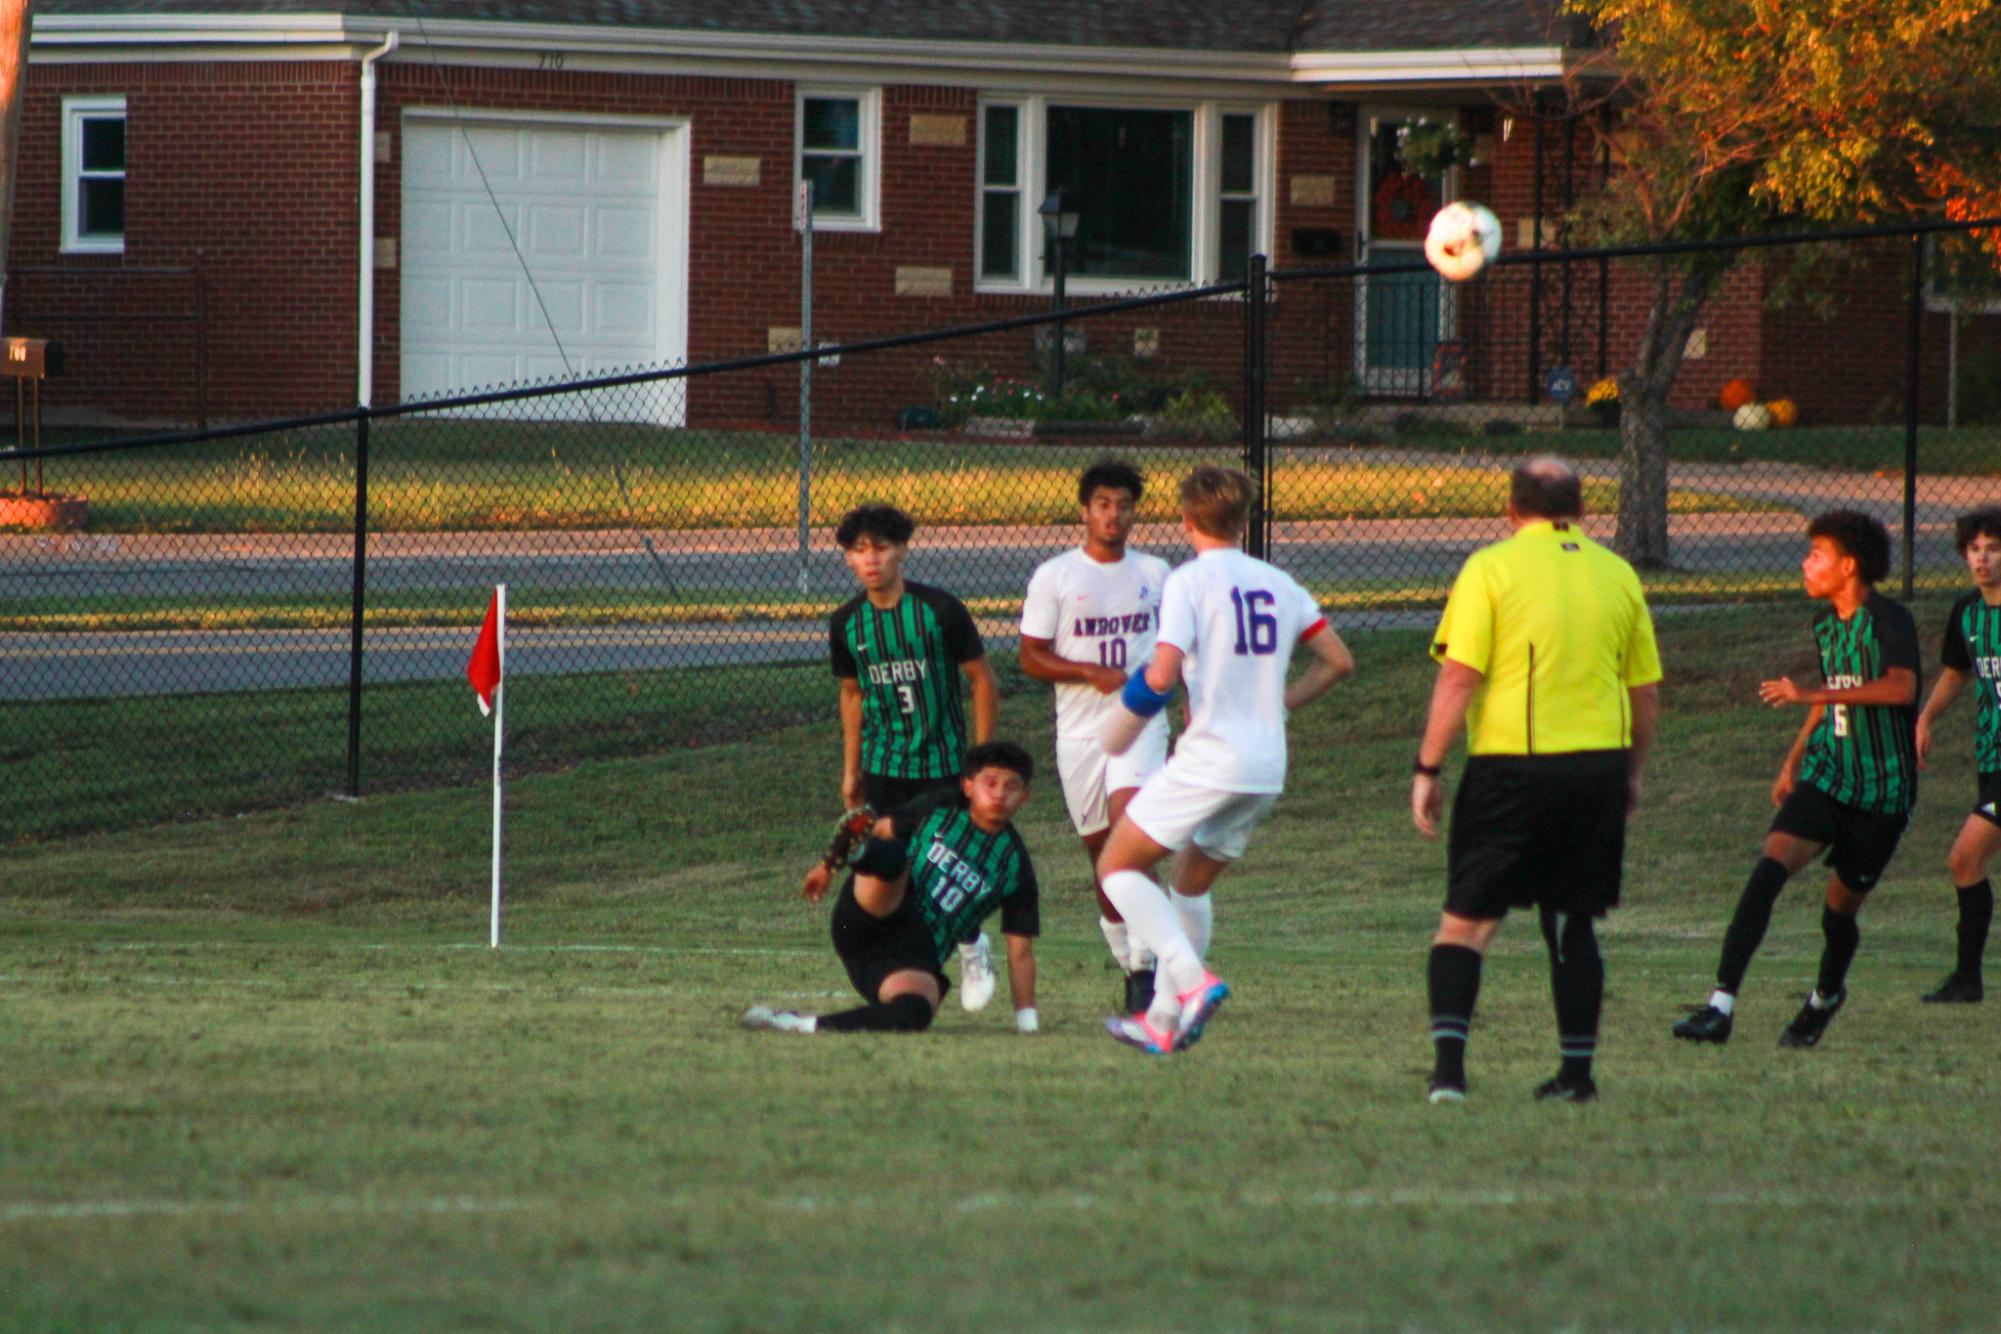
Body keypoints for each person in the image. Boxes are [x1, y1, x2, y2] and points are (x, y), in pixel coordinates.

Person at [1413, 457, 1661, 1105]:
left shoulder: (1490, 568)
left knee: (1463, 924)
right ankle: (1575, 1076)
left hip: (1511, 769)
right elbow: (1643, 690)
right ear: (1579, 508)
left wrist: (1427, 767)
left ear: (1510, 509)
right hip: (1595, 768)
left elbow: (1459, 674)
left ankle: (1448, 1076)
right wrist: (1629, 774)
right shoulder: (1617, 574)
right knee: (1571, 923)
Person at [1095, 466, 1354, 1055]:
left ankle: (1192, 981)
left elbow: (1160, 675)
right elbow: (1339, 661)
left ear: (1185, 520)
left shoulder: (1188, 582)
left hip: (1212, 757)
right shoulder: (1281, 583)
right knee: (1188, 884)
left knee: (1117, 866)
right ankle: (1160, 1021)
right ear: (1245, 520)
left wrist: (1117, 731)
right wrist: (1280, 705)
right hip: (1265, 766)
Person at [1673, 509, 1919, 1049]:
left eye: (1816, 555)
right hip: (1827, 777)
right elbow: (1834, 687)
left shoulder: (1889, 619)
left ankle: (1824, 999)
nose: (1805, 565)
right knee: (1767, 873)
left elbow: (1900, 689)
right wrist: (1793, 758)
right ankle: (1719, 1009)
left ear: (1848, 565)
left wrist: (1810, 694)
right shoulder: (1825, 623)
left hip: (1882, 793)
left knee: (1838, 916)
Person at [740, 741, 1042, 1036]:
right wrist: (828, 866)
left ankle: (797, 1024)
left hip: (907, 957)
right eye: (990, 783)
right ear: (967, 786)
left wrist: (1027, 1024)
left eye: (1011, 786)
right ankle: (857, 855)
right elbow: (875, 828)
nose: (1000, 794)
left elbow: (1020, 952)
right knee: (895, 855)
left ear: (1025, 796)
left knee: (915, 1012)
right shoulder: (940, 808)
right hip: (871, 914)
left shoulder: (1015, 866)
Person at [828, 504, 1002, 1010]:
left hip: (942, 765)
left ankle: (971, 946)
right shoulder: (847, 624)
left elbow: (982, 680)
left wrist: (983, 760)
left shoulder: (938, 611)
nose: (871, 559)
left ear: (903, 549)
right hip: (885, 767)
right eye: (859, 551)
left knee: (943, 863)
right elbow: (852, 693)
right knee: (894, 870)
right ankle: (903, 964)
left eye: (881, 547)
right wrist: (851, 769)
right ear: (848, 560)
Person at [1019, 459, 1174, 1014]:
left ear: (1136, 512)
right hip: (1081, 734)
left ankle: (1146, 970)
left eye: (1124, 505)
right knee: (1103, 856)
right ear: (1084, 510)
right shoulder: (1056, 576)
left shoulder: (1157, 573)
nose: (1114, 515)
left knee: (1132, 835)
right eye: (1103, 504)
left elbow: (1176, 647)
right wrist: (1088, 672)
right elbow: (1030, 656)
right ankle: (1128, 959)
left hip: (1140, 723)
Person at [1912, 505, 2001, 1003]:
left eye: (1992, 549)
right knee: (1968, 865)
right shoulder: (1967, 613)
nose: (1982, 559)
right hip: (1991, 758)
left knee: (1965, 856)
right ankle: (1967, 979)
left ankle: (1968, 979)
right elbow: (1957, 672)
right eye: (1975, 550)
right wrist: (1925, 718)